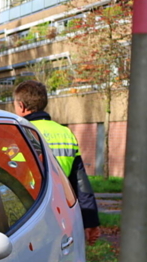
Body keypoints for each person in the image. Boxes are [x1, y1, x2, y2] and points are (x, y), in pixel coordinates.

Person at [13, 80, 101, 245]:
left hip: (27, 217)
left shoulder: (19, 132)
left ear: (22, 106)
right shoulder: (65, 133)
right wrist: (91, 222)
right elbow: (81, 182)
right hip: (62, 215)